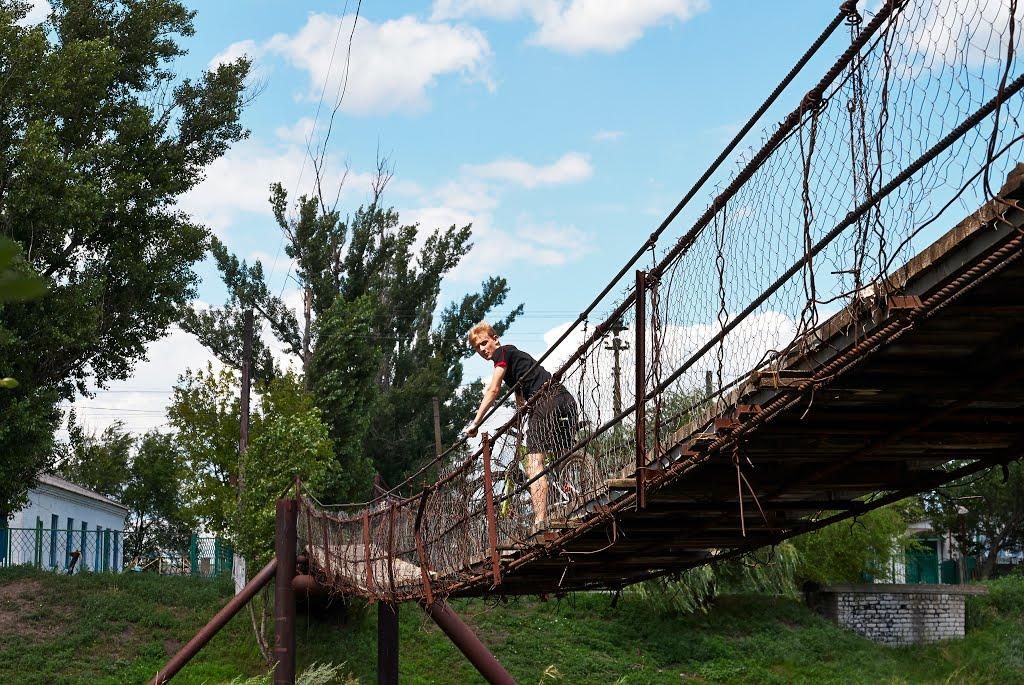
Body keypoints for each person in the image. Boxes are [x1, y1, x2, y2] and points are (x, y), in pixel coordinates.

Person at [466, 321, 578, 524]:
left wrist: (476, 422)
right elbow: (521, 400)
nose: (482, 350)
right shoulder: (516, 361)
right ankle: (570, 487)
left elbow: (493, 389)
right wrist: (517, 420)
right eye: (477, 348)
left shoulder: (502, 354)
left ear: (495, 339)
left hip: (545, 401)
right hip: (565, 399)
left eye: (484, 343)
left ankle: (540, 521)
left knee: (534, 464)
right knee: (558, 453)